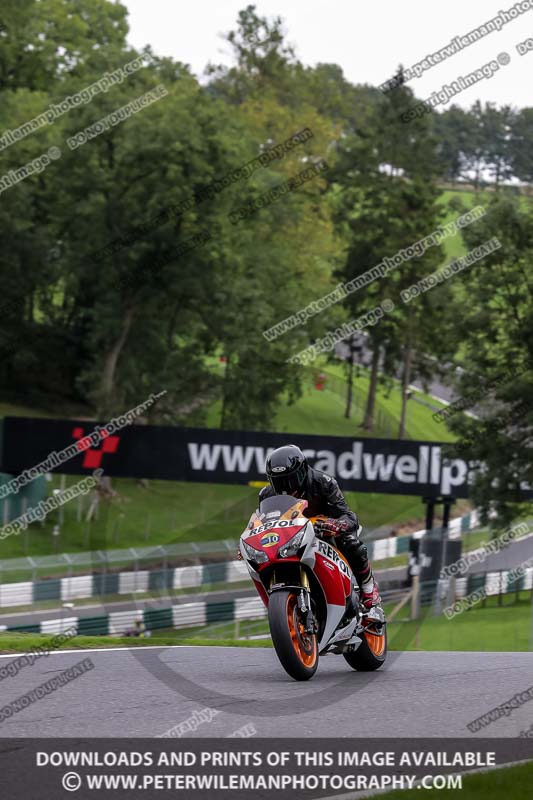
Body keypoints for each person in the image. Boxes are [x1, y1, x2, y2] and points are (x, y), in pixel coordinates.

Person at [260, 444, 382, 619]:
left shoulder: (324, 482)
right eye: (279, 482)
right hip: (291, 538)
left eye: (290, 479)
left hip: (325, 533)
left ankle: (369, 590)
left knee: (351, 543)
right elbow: (263, 523)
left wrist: (335, 525)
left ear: (302, 472)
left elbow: (349, 517)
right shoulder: (266, 495)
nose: (286, 487)